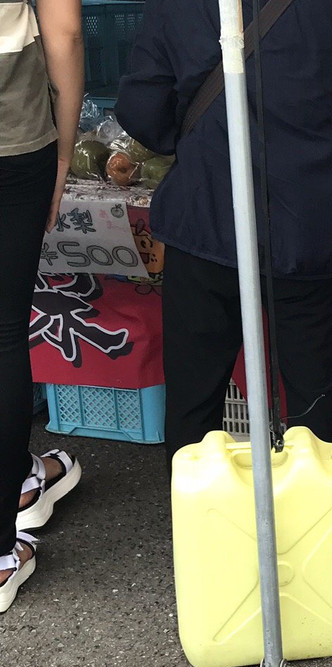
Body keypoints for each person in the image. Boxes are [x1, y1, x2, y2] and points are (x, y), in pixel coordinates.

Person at [114, 0, 332, 463]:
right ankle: (315, 522)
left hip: (207, 217)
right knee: (314, 407)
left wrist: (199, 141)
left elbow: (142, 108)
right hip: (309, 221)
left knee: (194, 403)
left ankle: (203, 526)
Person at [0, 0, 84, 612]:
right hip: (11, 131)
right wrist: (62, 152)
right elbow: (66, 30)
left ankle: (25, 477)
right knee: (4, 333)